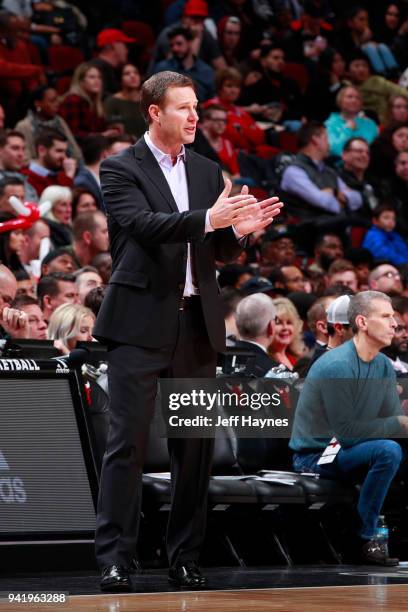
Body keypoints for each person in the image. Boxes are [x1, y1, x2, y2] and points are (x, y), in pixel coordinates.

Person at [92, 70, 283, 592]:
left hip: (197, 324)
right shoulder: (119, 168)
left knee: (194, 447)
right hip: (138, 323)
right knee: (126, 445)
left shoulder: (205, 170)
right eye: (184, 108)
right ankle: (115, 558)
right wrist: (211, 221)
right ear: (155, 113)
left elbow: (210, 244)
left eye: (196, 106)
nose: (195, 116)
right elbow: (146, 226)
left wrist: (237, 234)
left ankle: (185, 557)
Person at [290, 290, 408, 565]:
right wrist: (397, 423)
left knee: (394, 447)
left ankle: (396, 534)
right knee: (387, 450)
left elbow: (391, 422)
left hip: (353, 447)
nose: (395, 323)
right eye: (386, 316)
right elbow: (346, 432)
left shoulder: (381, 365)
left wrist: (399, 424)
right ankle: (363, 538)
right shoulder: (337, 366)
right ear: (363, 322)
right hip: (318, 452)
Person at [280, 121, 362, 215]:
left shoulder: (329, 171)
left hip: (336, 223)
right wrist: (337, 195)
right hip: (309, 226)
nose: (329, 144)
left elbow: (358, 198)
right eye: (326, 138)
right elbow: (324, 202)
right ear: (315, 139)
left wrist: (334, 193)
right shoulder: (294, 171)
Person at [15, 85, 82, 163]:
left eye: (57, 100)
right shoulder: (24, 126)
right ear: (38, 104)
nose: (57, 104)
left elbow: (76, 152)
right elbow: (25, 159)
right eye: (52, 101)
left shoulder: (59, 121)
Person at [153, 26, 215, 102]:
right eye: (172, 45)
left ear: (190, 43)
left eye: (179, 44)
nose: (174, 49)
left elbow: (212, 99)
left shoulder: (206, 71)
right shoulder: (162, 68)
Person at [324, 86, 379, 158]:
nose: (354, 100)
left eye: (358, 98)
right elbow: (335, 150)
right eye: (349, 97)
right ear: (340, 100)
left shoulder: (370, 125)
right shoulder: (329, 124)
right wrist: (347, 130)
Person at [234, 292, 278, 376]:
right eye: (276, 320)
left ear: (237, 324)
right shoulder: (276, 374)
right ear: (271, 327)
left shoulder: (215, 361)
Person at [22, 129, 77, 196]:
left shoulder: (61, 175)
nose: (64, 156)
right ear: (41, 150)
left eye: (65, 152)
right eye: (59, 151)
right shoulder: (26, 177)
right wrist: (68, 177)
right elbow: (58, 202)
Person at [104, 63, 145, 139]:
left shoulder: (148, 100)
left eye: (136, 73)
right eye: (127, 74)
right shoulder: (112, 102)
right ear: (120, 79)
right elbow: (114, 131)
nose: (133, 76)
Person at [269, 296, 303, 370]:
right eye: (279, 323)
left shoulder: (296, 359)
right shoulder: (263, 359)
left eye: (289, 323)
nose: (285, 328)